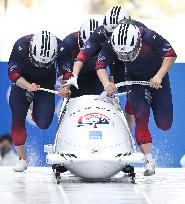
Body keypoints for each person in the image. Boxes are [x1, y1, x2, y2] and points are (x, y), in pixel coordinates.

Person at [95, 23, 177, 176]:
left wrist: (159, 76)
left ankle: (130, 106)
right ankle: (148, 160)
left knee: (165, 124)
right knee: (141, 115)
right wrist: (107, 84)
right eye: (122, 55)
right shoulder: (111, 42)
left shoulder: (149, 36)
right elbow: (100, 65)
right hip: (134, 80)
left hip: (157, 79)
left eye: (128, 53)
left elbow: (171, 54)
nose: (126, 57)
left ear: (138, 42)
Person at [66, 6, 147, 128]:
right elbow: (82, 55)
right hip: (110, 57)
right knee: (112, 87)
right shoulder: (100, 32)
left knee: (133, 97)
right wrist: (74, 75)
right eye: (109, 33)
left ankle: (128, 130)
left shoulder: (141, 31)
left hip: (131, 58)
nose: (112, 36)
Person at [8, 31, 70, 172]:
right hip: (22, 82)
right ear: (31, 50)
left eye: (45, 63)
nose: (40, 65)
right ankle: (22, 159)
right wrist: (28, 86)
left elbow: (66, 73)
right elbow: (13, 73)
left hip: (45, 84)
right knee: (18, 115)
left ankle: (32, 104)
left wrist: (65, 87)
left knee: (44, 123)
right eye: (37, 61)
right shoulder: (20, 45)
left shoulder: (61, 47)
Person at [57, 19, 104, 98]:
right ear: (80, 38)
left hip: (94, 75)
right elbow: (63, 69)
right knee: (69, 95)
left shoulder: (105, 41)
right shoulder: (68, 43)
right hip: (72, 76)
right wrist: (66, 87)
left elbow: (112, 63)